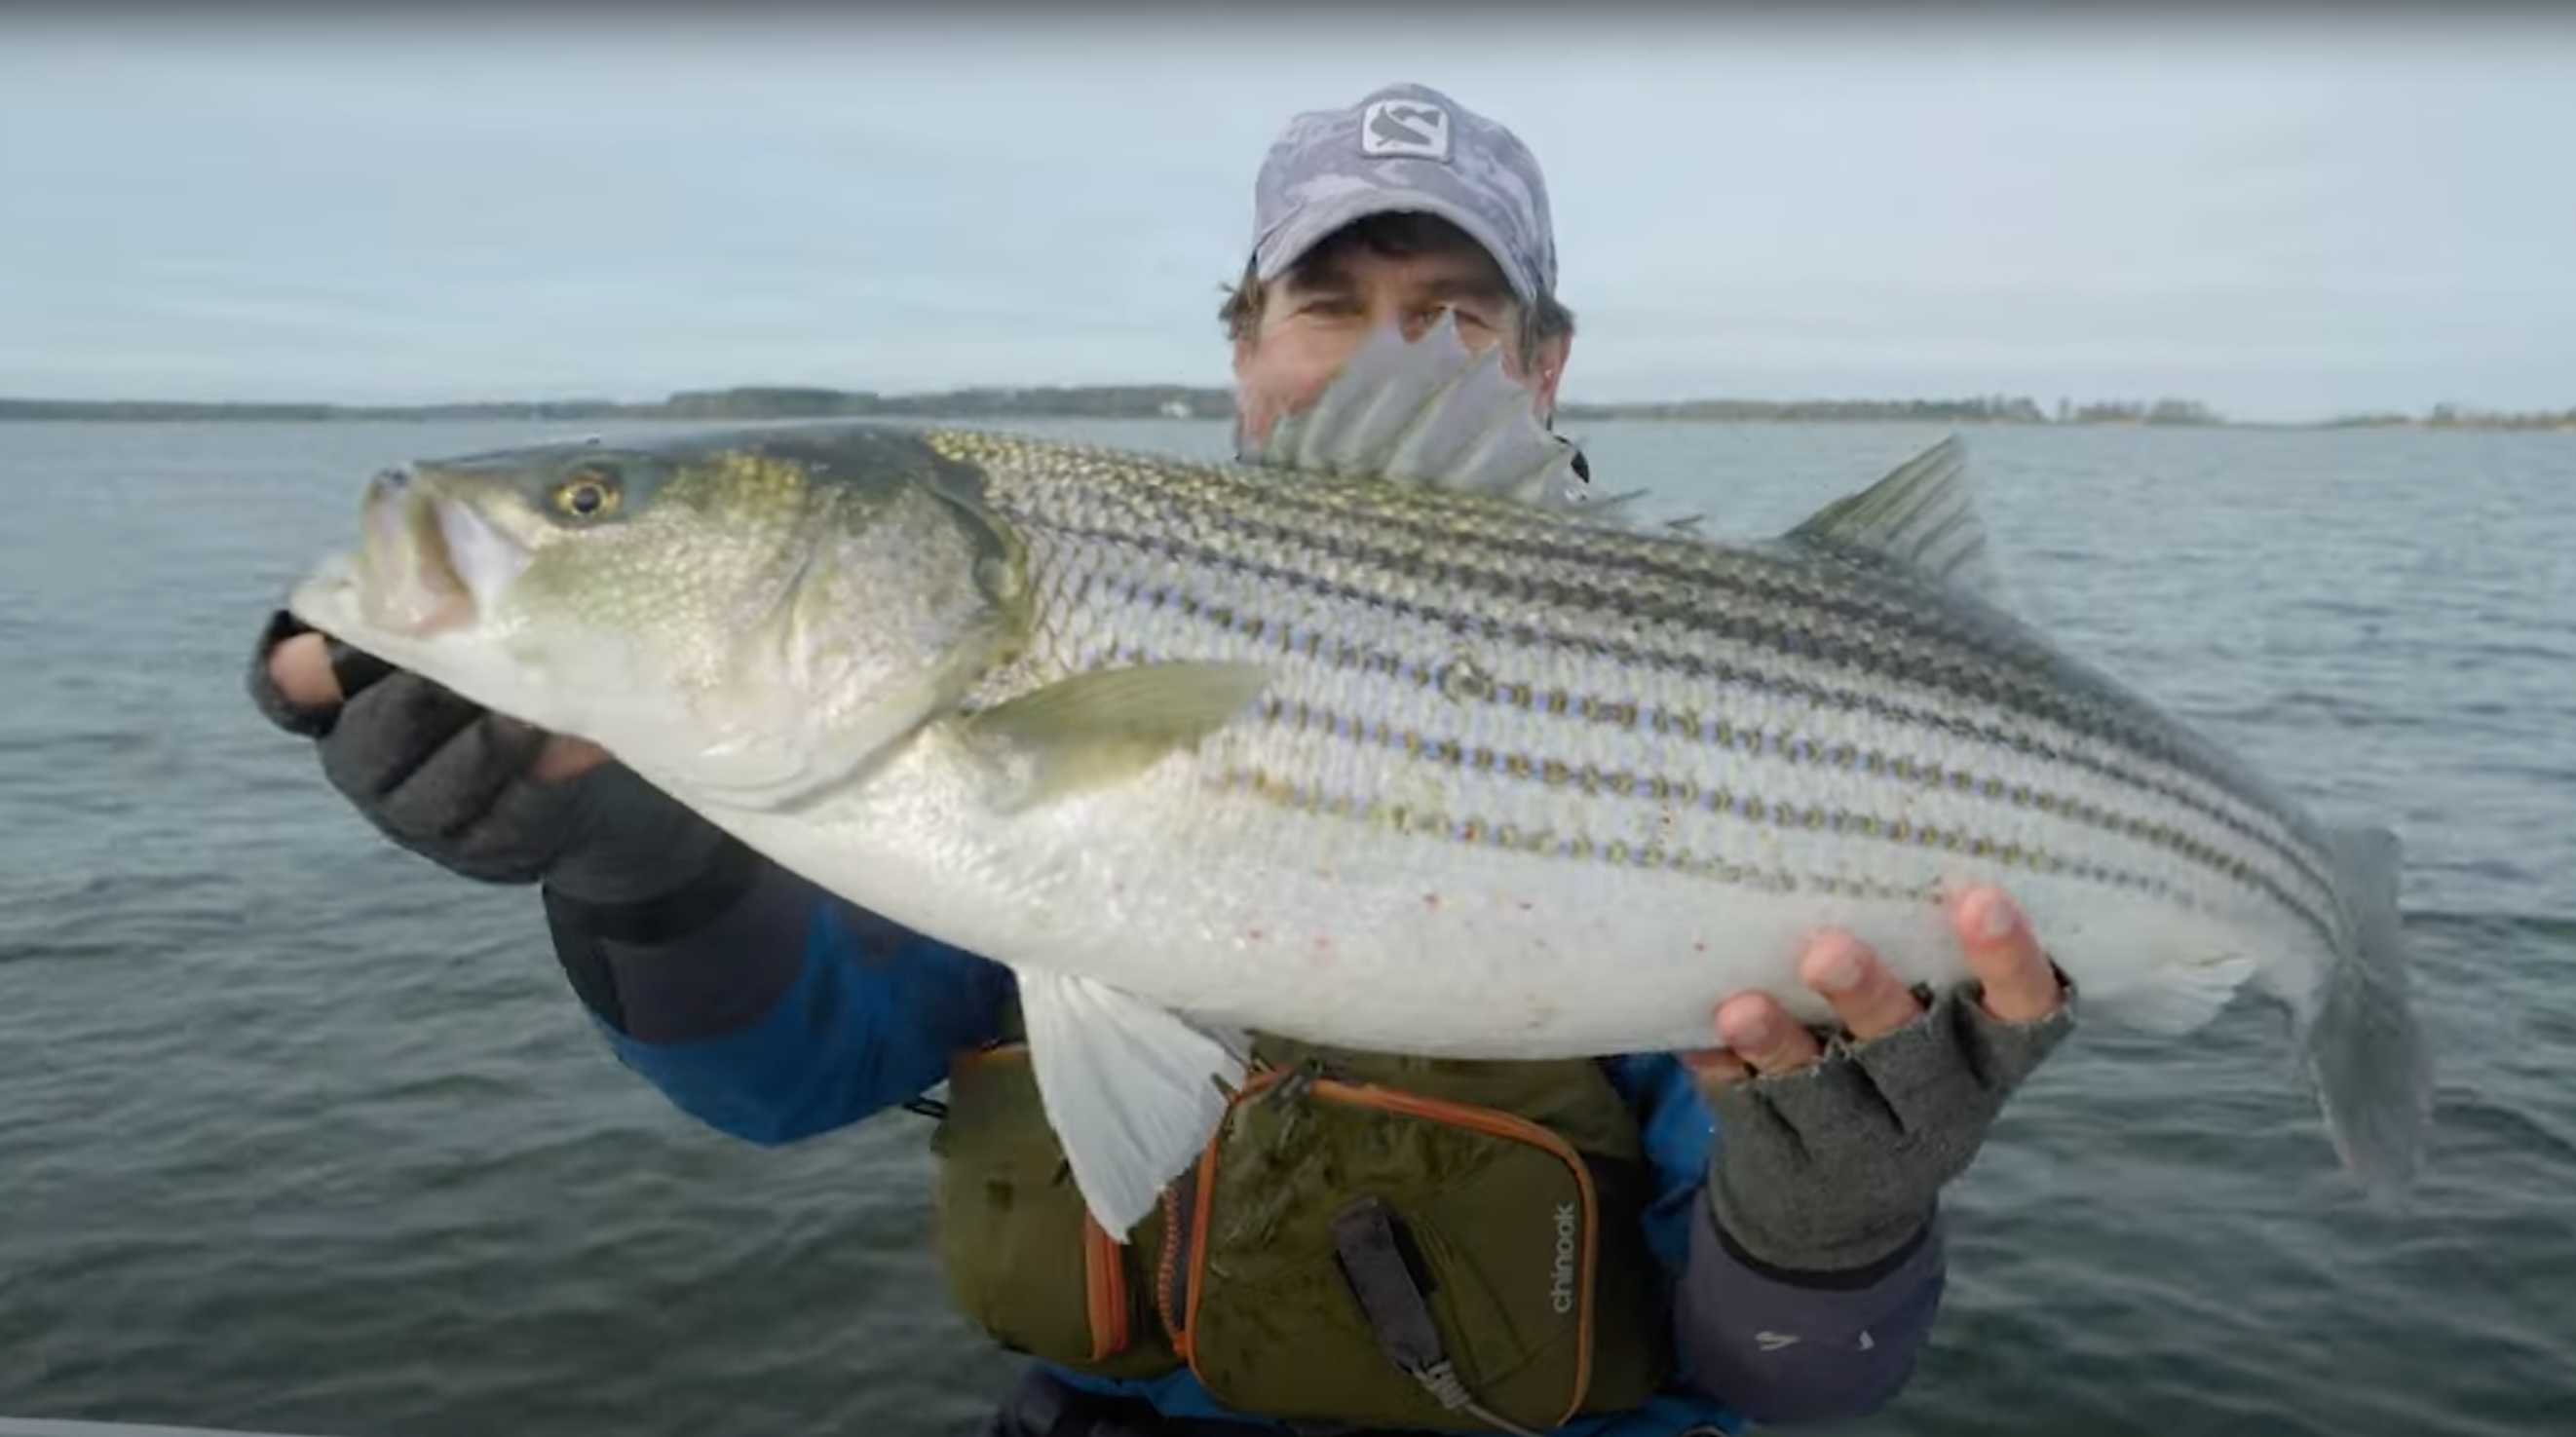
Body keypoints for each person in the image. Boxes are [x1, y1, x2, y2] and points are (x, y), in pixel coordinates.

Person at [245, 81, 2076, 1437]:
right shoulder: (1014, 653)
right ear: (1242, 345)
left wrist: (1829, 1220)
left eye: (1454, 311)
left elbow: (1795, 1381)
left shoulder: (1729, 682)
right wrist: (632, 862)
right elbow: (780, 1084)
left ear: (1543, 364)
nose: (1387, 351)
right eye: (1327, 303)